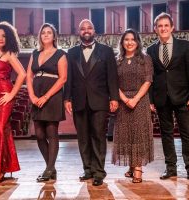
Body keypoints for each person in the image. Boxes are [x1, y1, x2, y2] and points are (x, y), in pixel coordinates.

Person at [146, 12, 189, 183]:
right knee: (166, 134)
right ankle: (171, 167)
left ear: (172, 27)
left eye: (166, 25)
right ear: (155, 29)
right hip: (161, 98)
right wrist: (150, 100)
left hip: (183, 97)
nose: (163, 28)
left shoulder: (185, 46)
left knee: (187, 134)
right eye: (160, 26)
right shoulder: (151, 50)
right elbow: (151, 77)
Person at [64, 19, 119, 186]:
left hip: (100, 100)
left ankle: (99, 172)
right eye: (82, 28)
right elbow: (69, 78)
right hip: (79, 100)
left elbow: (112, 77)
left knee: (98, 136)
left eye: (89, 27)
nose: (86, 30)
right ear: (78, 32)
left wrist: (114, 97)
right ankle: (87, 169)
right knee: (83, 137)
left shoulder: (107, 51)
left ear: (94, 30)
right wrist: (67, 98)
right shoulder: (71, 52)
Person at [0, 21, 26, 184]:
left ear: (7, 37)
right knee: (0, 130)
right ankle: (5, 165)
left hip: (4, 95)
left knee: (1, 129)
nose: (0, 38)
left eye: (3, 35)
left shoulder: (9, 54)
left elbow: (22, 74)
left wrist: (11, 94)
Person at [112, 29, 154, 183]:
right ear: (122, 42)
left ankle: (138, 169)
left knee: (138, 134)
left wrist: (135, 99)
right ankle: (131, 166)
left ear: (137, 42)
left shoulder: (145, 59)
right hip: (123, 102)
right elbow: (113, 83)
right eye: (126, 39)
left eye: (133, 39)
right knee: (126, 134)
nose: (129, 42)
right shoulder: (117, 60)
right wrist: (123, 98)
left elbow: (148, 80)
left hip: (140, 100)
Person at [26, 23, 67, 182]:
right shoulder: (34, 53)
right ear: (40, 36)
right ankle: (51, 168)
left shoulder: (61, 54)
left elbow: (63, 78)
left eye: (49, 32)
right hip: (36, 94)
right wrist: (32, 95)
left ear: (54, 36)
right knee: (39, 135)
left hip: (53, 95)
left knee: (51, 133)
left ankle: (49, 169)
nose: (46, 35)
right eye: (43, 33)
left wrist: (46, 97)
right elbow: (29, 76)